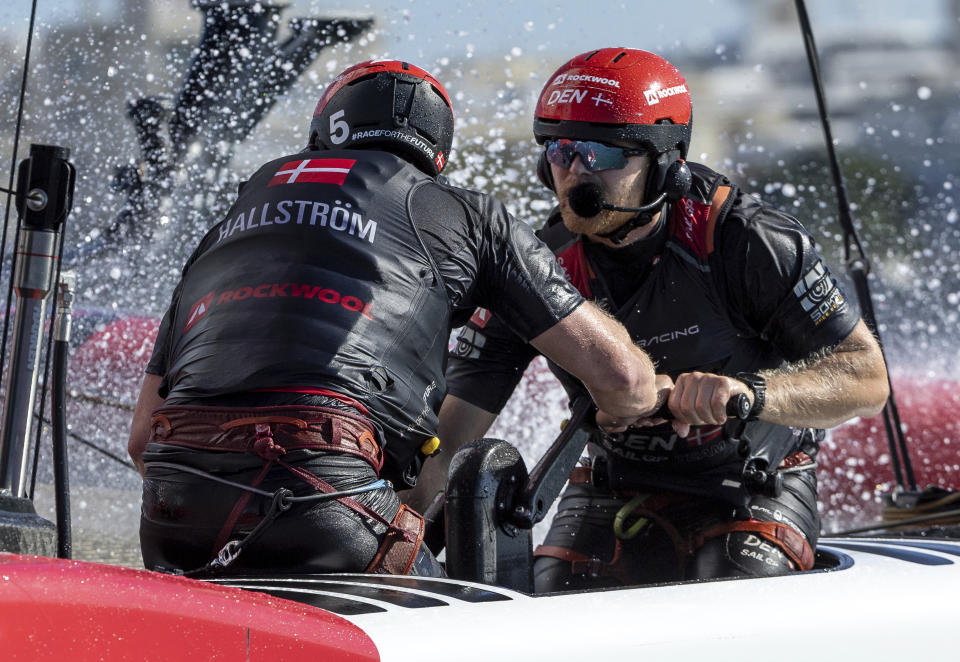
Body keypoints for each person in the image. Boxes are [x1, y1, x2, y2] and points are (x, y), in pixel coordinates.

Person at [127, 59, 663, 578]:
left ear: (323, 134)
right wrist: (644, 396)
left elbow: (140, 440)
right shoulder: (469, 214)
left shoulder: (233, 217)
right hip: (325, 496)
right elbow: (624, 380)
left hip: (173, 512)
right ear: (437, 155)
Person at [408, 48, 890, 589]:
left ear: (666, 164)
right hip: (613, 485)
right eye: (560, 151)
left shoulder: (747, 241)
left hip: (755, 485)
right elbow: (448, 444)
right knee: (549, 602)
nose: (573, 174)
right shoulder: (533, 265)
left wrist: (747, 393)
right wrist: (386, 545)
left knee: (730, 595)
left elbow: (867, 379)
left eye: (601, 155)